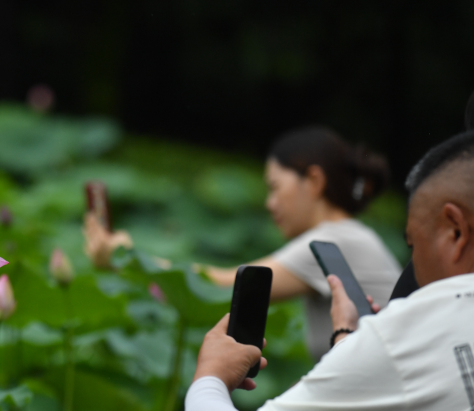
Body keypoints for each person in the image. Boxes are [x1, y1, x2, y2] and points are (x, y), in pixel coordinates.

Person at [186, 130, 474, 411]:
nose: (269, 202)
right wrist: (348, 343)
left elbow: (217, 283)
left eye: (413, 246)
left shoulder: (337, 238)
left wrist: (210, 377)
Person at [85, 127, 402, 358]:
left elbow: (223, 287)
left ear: (315, 181)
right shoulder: (350, 236)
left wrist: (125, 256)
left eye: (275, 187)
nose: (270, 203)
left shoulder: (334, 241)